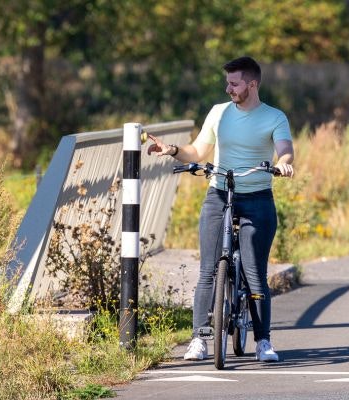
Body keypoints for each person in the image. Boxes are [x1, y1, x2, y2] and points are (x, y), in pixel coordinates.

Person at [147, 56, 294, 362]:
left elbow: (285, 149)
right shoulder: (218, 113)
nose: (228, 88)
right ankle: (200, 339)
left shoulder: (274, 117)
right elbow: (198, 150)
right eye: (227, 82)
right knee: (208, 272)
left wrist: (283, 164)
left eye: (234, 83)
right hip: (219, 194)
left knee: (255, 274)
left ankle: (263, 341)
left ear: (251, 85)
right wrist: (172, 150)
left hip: (257, 198)